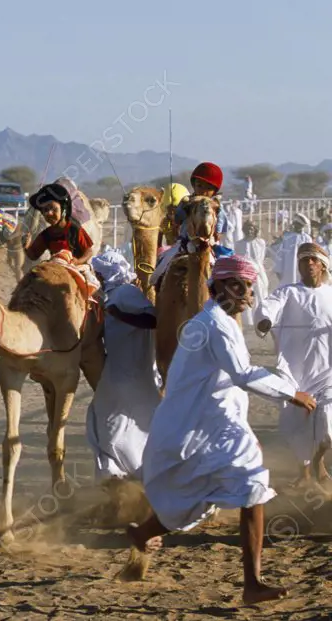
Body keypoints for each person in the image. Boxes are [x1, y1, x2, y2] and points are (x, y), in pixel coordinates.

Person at [123, 255, 316, 604]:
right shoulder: (215, 325)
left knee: (210, 495)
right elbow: (243, 374)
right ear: (218, 287)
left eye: (249, 287)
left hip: (209, 426)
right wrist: (292, 394)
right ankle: (252, 584)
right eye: (238, 286)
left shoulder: (217, 322)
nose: (246, 294)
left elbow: (227, 381)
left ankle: (143, 534)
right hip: (197, 428)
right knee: (237, 491)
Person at [256, 243, 332, 486]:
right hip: (293, 371)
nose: (307, 264)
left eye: (312, 260)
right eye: (303, 260)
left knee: (328, 423)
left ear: (322, 265)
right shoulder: (288, 292)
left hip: (327, 371)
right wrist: (265, 320)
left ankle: (319, 461)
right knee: (296, 423)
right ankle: (305, 473)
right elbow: (268, 307)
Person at [86, 250, 160, 483]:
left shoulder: (126, 293)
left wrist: (119, 315)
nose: (95, 277)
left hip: (132, 372)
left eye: (98, 273)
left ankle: (132, 472)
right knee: (105, 423)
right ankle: (115, 474)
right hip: (117, 370)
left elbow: (153, 319)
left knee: (114, 425)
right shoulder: (111, 297)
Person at [24, 182, 99, 295]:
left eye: (53, 209)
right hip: (55, 268)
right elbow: (33, 255)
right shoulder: (46, 234)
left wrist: (77, 261)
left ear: (63, 209)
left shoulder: (75, 230)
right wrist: (26, 246)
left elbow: (88, 251)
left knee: (90, 292)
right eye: (45, 210)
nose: (49, 213)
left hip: (76, 268)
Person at [234, 221, 268, 328]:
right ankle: (248, 321)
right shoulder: (239, 244)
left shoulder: (261, 242)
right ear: (244, 230)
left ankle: (261, 317)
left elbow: (261, 258)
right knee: (247, 293)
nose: (250, 231)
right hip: (245, 273)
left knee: (260, 294)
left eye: (252, 228)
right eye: (248, 228)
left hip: (258, 272)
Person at [272, 213, 313, 286]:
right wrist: (278, 268)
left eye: (300, 225)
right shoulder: (286, 236)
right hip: (288, 268)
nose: (298, 226)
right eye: (296, 224)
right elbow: (280, 253)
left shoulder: (307, 238)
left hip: (302, 268)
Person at [159, 182, 190, 247]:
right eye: (169, 210)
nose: (172, 213)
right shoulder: (164, 223)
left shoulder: (191, 220)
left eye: (176, 208)